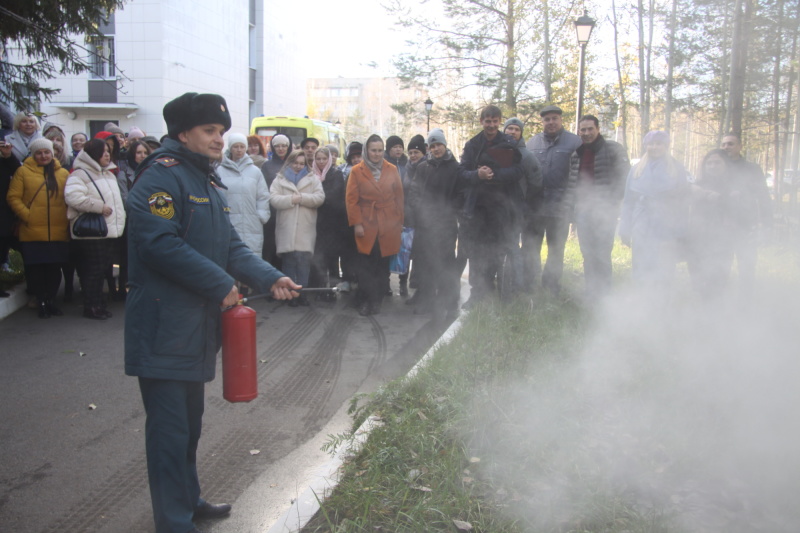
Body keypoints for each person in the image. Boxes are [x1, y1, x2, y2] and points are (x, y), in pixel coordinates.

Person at [125, 92, 300, 533]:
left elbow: (231, 246)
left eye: (222, 131)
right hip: (165, 327)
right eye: (209, 131)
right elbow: (159, 244)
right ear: (182, 133)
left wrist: (269, 277)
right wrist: (221, 284)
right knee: (168, 433)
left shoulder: (207, 180)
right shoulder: (160, 179)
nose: (219, 139)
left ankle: (188, 500)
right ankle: (174, 521)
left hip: (194, 329)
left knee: (189, 427)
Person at [457, 105, 523, 308]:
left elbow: (519, 171)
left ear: (500, 121)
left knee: (498, 251)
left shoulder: (509, 144)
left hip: (501, 209)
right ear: (481, 121)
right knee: (476, 253)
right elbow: (460, 173)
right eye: (487, 121)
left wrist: (495, 174)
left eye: (495, 121)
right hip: (477, 208)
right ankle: (477, 294)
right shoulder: (473, 144)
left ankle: (499, 291)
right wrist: (477, 175)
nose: (491, 125)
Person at [568, 114, 630, 301]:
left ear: (598, 129)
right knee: (587, 254)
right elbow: (573, 183)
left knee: (602, 254)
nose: (586, 133)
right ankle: (591, 291)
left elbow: (624, 178)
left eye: (590, 129)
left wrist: (612, 202)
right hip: (584, 211)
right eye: (583, 130)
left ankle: (604, 294)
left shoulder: (613, 149)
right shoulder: (576, 153)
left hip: (605, 211)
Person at [618, 131, 691, 292]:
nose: (654, 147)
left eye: (658, 143)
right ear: (646, 146)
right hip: (641, 221)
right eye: (651, 144)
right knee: (641, 263)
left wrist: (681, 232)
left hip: (667, 223)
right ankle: (641, 301)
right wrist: (625, 227)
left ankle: (661, 305)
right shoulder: (637, 169)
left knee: (664, 265)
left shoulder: (676, 168)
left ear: (666, 146)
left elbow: (682, 202)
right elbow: (628, 200)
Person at [6, 138, 70, 317]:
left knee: (54, 269)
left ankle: (50, 300)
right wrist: (28, 215)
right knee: (36, 270)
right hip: (32, 230)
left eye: (47, 152)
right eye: (39, 153)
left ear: (52, 153)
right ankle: (40, 300)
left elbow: (69, 198)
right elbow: (13, 197)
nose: (43, 156)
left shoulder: (63, 173)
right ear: (33, 155)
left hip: (58, 230)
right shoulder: (23, 172)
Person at [525, 105, 585, 295]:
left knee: (556, 249)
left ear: (561, 120)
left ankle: (551, 285)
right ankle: (530, 281)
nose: (551, 122)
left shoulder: (575, 143)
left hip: (560, 207)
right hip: (535, 208)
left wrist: (573, 205)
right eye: (547, 119)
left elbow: (580, 175)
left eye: (554, 118)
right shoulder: (532, 144)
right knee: (531, 247)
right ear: (542, 122)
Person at [405, 129, 464, 318]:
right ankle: (427, 301)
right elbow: (413, 192)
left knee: (446, 263)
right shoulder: (423, 168)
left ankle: (450, 301)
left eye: (438, 144)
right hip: (425, 224)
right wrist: (421, 211)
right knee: (425, 263)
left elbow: (460, 196)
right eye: (432, 146)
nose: (435, 149)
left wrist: (448, 212)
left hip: (446, 225)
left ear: (444, 145)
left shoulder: (456, 168)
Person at [65, 139, 127, 319]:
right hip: (92, 232)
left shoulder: (108, 173)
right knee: (93, 271)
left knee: (101, 270)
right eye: (103, 151)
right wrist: (98, 207)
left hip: (108, 231)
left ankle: (98, 304)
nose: (107, 154)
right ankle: (91, 306)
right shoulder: (80, 174)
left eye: (108, 151)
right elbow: (73, 197)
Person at [345, 134, 404, 316]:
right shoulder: (357, 170)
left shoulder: (392, 169)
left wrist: (398, 222)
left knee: (381, 265)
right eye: (373, 150)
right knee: (365, 265)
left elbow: (399, 197)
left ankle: (375, 301)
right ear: (366, 151)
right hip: (367, 222)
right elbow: (351, 200)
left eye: (380, 150)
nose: (377, 154)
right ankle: (366, 298)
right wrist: (356, 224)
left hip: (388, 223)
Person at [719, 132, 773, 300]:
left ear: (740, 146)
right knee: (721, 267)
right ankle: (719, 301)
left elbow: (763, 197)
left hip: (745, 226)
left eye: (731, 144)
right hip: (721, 227)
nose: (726, 147)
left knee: (747, 267)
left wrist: (767, 224)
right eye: (724, 144)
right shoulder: (716, 167)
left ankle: (745, 303)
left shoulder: (752, 169)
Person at [269, 149, 325, 307]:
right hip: (286, 227)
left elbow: (320, 198)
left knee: (303, 263)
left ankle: (302, 294)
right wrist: (290, 200)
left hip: (305, 228)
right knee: (289, 263)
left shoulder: (312, 178)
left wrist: (302, 198)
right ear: (290, 162)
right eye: (296, 163)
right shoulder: (279, 179)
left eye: (302, 163)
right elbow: (273, 198)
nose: (299, 166)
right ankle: (290, 295)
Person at [687, 149, 738, 297]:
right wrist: (694, 191)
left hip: (722, 241)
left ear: (725, 164)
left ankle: (715, 315)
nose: (712, 166)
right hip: (697, 239)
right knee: (698, 282)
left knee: (717, 282)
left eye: (717, 162)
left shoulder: (735, 184)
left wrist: (719, 198)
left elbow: (741, 209)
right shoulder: (698, 184)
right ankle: (700, 314)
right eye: (709, 163)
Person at [503, 117, 542, 293]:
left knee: (515, 247)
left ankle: (519, 285)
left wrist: (527, 206)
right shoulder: (498, 152)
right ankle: (505, 281)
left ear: (521, 133)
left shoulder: (527, 156)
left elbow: (536, 184)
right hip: (500, 209)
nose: (512, 132)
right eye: (509, 128)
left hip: (520, 210)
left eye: (516, 129)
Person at [217, 133, 270, 257]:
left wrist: (261, 215)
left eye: (242, 146)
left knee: (252, 259)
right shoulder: (220, 170)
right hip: (228, 221)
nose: (239, 150)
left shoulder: (255, 171)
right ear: (230, 148)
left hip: (251, 223)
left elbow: (263, 195)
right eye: (236, 146)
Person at [309, 147, 348, 298]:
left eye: (324, 159)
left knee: (332, 258)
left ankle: (332, 289)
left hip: (332, 223)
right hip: (315, 222)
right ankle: (319, 289)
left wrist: (317, 199)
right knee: (318, 257)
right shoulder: (311, 174)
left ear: (329, 160)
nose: (321, 162)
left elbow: (334, 196)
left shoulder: (336, 174)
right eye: (318, 159)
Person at [261, 134, 294, 268]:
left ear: (288, 146)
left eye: (284, 145)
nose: (281, 149)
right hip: (272, 213)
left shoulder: (293, 164)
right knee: (270, 247)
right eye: (277, 146)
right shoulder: (266, 166)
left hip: (289, 211)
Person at [0, 136, 22, 297]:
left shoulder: (4, 161)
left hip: (4, 215)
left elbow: (18, 171)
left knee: (2, 252)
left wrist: (8, 155)